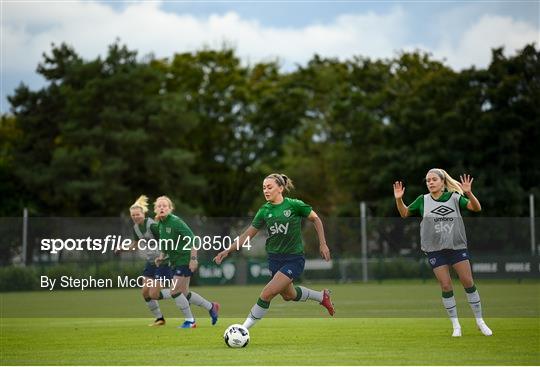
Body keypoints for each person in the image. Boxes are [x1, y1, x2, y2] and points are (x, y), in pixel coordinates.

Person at [214, 173, 334, 329]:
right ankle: (321, 296)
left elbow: (316, 219)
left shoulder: (294, 205)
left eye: (269, 187)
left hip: (294, 259)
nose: (266, 190)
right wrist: (227, 250)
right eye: (264, 188)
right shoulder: (264, 211)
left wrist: (323, 244)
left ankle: (243, 329)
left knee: (267, 293)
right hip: (274, 259)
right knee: (288, 295)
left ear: (281, 188)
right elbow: (246, 235)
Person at [393, 168, 493, 337]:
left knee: (468, 282)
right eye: (427, 180)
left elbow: (476, 208)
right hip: (435, 250)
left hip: (456, 247)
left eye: (433, 180)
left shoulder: (454, 198)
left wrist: (469, 193)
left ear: (442, 182)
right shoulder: (422, 200)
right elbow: (404, 213)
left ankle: (480, 321)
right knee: (446, 285)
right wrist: (399, 199)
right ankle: (456, 326)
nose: (430, 182)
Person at [154, 195, 220, 328]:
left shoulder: (176, 221)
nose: (162, 208)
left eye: (164, 206)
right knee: (184, 293)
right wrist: (161, 256)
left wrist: (193, 259)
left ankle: (190, 321)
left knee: (174, 292)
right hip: (175, 261)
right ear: (155, 209)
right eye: (159, 206)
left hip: (184, 260)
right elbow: (165, 244)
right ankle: (211, 306)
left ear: (170, 208)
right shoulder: (160, 224)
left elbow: (194, 239)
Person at [116, 195, 172, 327]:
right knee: (145, 292)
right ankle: (160, 319)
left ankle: (178, 291)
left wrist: (164, 256)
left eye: (138, 214)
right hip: (151, 262)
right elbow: (135, 246)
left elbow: (166, 240)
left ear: (143, 213)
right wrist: (122, 249)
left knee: (154, 293)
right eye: (133, 215)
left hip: (163, 261)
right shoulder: (136, 228)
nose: (135, 217)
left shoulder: (151, 225)